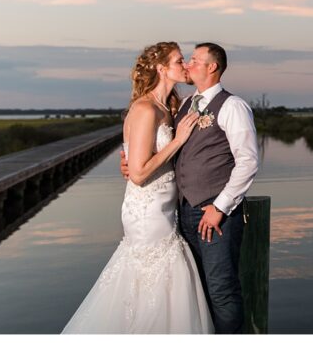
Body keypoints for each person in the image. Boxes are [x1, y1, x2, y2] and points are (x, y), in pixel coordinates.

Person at [63, 42, 213, 334]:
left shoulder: (168, 108)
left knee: (164, 282)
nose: (185, 66)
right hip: (147, 212)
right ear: (161, 69)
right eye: (179, 61)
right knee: (154, 278)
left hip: (165, 208)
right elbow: (139, 173)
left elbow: (145, 163)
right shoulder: (145, 109)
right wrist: (178, 140)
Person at [119, 41, 259, 334]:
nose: (187, 65)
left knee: (221, 290)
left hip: (213, 215)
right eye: (184, 60)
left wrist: (219, 207)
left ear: (211, 67)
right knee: (195, 292)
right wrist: (131, 164)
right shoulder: (182, 106)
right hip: (177, 214)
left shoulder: (233, 106)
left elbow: (247, 162)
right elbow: (161, 155)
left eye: (194, 60)